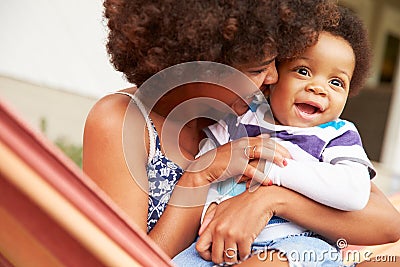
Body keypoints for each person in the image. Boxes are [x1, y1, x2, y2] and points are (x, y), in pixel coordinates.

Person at [83, 0, 400, 266]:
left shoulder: (262, 112)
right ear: (198, 63)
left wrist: (271, 200)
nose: (273, 77)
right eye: (257, 69)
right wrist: (198, 176)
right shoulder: (123, 121)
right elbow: (124, 259)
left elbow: (384, 221)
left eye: (275, 63)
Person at [173, 6, 375, 266]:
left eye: (336, 82)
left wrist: (275, 172)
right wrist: (209, 210)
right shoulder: (241, 119)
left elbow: (354, 193)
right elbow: (206, 164)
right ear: (274, 79)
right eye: (303, 71)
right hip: (222, 239)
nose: (318, 88)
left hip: (299, 242)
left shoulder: (337, 135)